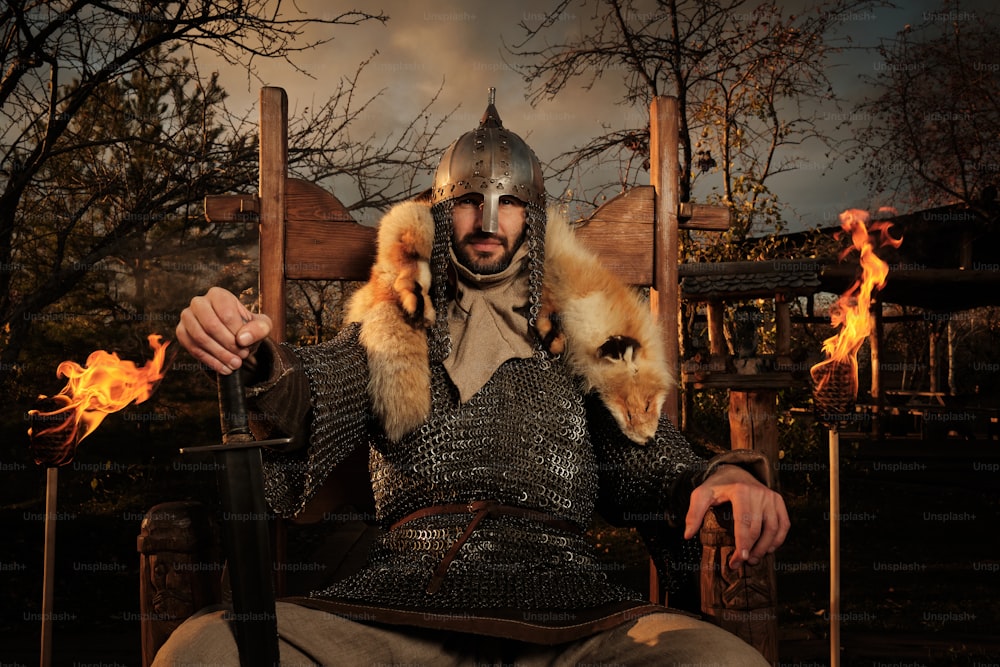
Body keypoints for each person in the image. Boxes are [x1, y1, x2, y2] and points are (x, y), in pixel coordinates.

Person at [160, 90, 789, 666]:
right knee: (201, 649)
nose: (488, 221)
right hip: (400, 613)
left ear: (533, 219)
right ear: (440, 213)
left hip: (568, 620)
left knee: (726, 662)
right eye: (468, 201)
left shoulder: (583, 338)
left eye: (509, 202)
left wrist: (726, 473)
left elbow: (650, 462)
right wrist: (254, 354)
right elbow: (315, 390)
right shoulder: (393, 329)